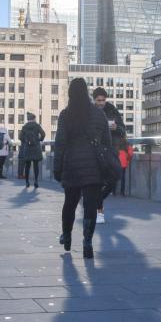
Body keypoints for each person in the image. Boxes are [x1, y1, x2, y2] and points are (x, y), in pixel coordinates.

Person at [53, 78, 112, 259]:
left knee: (69, 203)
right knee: (90, 205)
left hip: (72, 165)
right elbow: (107, 142)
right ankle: (87, 241)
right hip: (93, 165)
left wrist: (57, 168)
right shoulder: (97, 113)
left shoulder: (65, 115)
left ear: (70, 93)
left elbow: (60, 143)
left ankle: (67, 235)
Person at [92, 88, 127, 222]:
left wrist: (115, 128)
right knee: (97, 182)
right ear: (94, 99)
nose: (101, 103)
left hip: (111, 151)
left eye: (103, 100)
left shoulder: (112, 110)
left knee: (114, 178)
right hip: (94, 151)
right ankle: (99, 212)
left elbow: (122, 130)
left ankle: (97, 201)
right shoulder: (89, 111)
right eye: (98, 100)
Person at [18, 113, 46, 189]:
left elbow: (20, 137)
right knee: (36, 165)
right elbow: (43, 134)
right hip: (36, 147)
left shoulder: (25, 127)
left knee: (27, 165)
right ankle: (36, 181)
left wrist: (26, 141)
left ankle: (27, 182)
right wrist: (39, 140)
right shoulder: (37, 126)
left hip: (27, 148)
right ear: (33, 118)